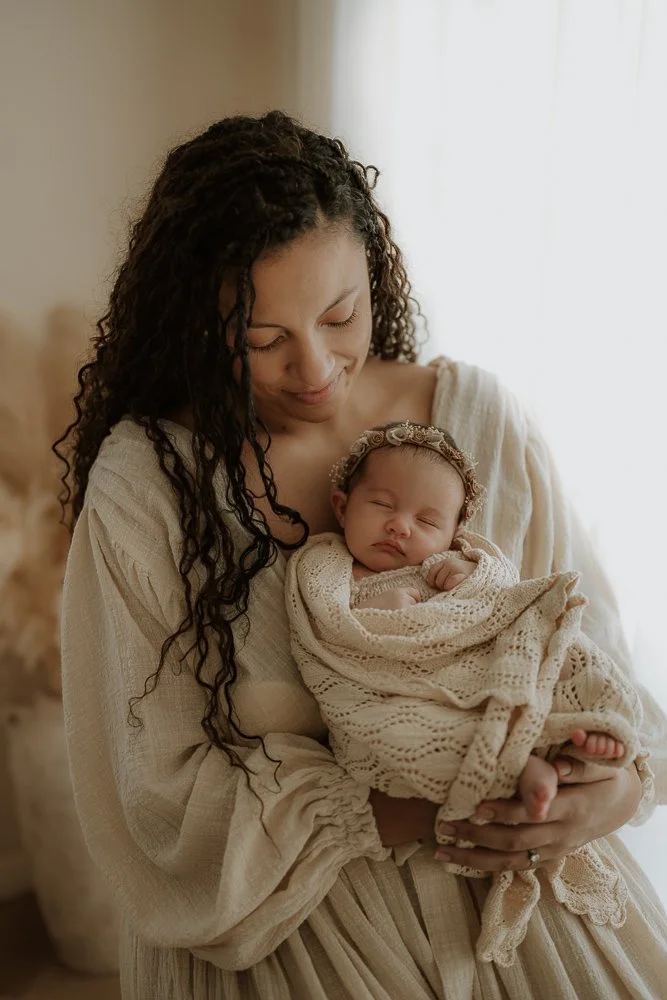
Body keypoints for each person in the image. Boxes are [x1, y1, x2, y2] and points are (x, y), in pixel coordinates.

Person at [59, 111, 667, 999]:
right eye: (260, 342)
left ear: (375, 265)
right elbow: (151, 798)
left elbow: (594, 660)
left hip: (537, 920)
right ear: (196, 323)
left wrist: (612, 789)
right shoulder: (149, 485)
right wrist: (427, 809)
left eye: (340, 315)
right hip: (296, 940)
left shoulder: (479, 424)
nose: (313, 369)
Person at [285, 419, 643, 964]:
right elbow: (329, 633)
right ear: (341, 506)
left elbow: (501, 602)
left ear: (454, 533)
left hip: (476, 668)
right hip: (395, 691)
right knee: (401, 732)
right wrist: (382, 617)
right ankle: (516, 763)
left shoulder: (448, 566)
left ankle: (578, 731)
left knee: (562, 652)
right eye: (382, 506)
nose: (401, 527)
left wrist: (469, 577)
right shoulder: (326, 571)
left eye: (427, 520)